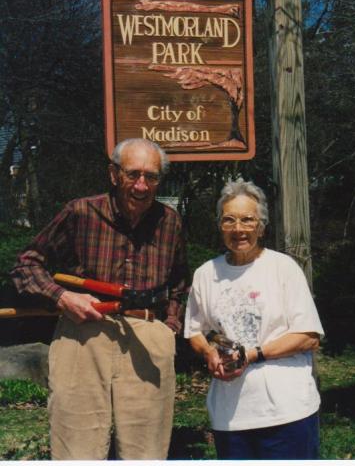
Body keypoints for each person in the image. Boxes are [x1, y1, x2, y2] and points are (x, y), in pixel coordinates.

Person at [11, 138, 188, 460]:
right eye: (133, 174)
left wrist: (169, 328)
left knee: (146, 450)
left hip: (148, 338)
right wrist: (63, 297)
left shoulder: (170, 221)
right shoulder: (81, 212)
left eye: (151, 176)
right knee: (77, 445)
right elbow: (27, 263)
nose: (141, 185)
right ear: (113, 174)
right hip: (84, 335)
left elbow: (179, 282)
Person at [184, 178, 324, 460]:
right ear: (220, 225)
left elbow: (309, 335)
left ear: (261, 225)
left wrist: (253, 354)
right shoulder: (205, 274)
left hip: (287, 412)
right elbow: (194, 330)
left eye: (248, 220)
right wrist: (208, 351)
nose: (239, 229)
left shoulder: (282, 268)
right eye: (229, 220)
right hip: (230, 416)